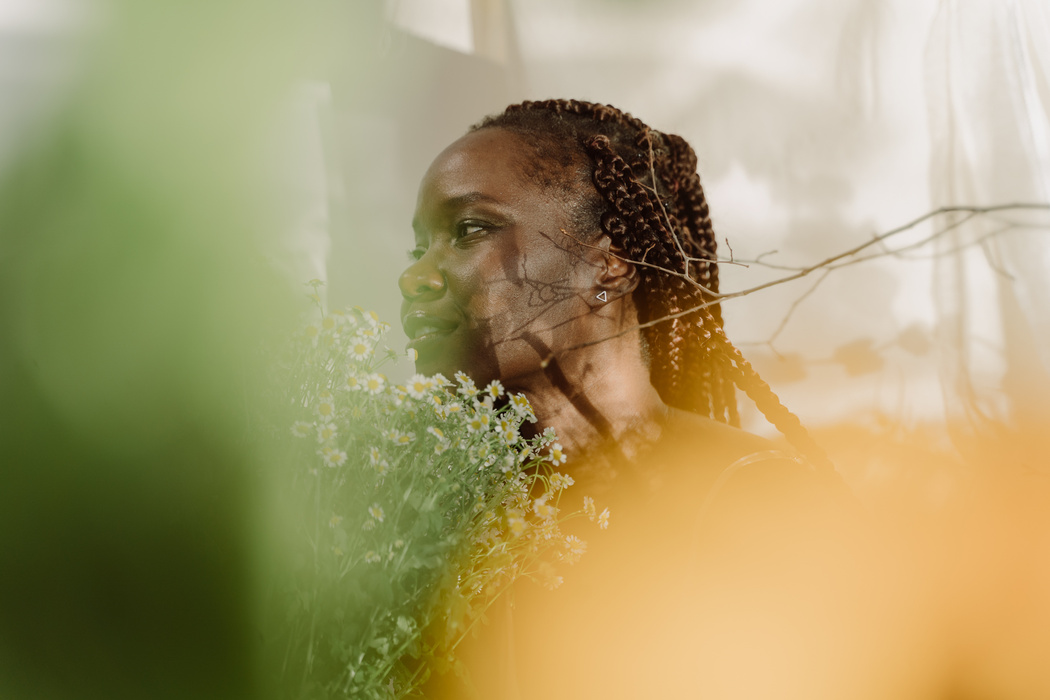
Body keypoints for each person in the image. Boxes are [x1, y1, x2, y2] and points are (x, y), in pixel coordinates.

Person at [398, 99, 861, 699]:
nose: (415, 278)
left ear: (611, 261)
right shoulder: (420, 517)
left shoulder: (751, 497)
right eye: (417, 248)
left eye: (470, 230)